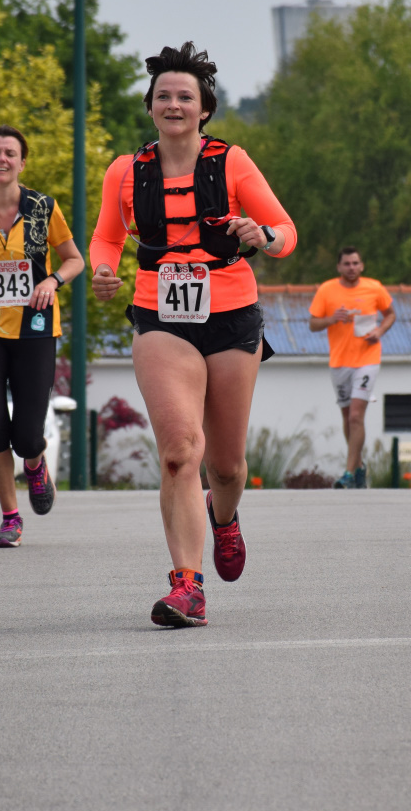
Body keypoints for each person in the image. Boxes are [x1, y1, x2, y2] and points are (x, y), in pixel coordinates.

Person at [90, 42, 296, 627]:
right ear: (150, 107)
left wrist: (262, 236)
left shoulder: (232, 163)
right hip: (160, 316)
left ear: (204, 109)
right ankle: (187, 586)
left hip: (231, 318)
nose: (174, 105)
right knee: (181, 453)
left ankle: (224, 518)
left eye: (185, 96)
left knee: (226, 467)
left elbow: (285, 231)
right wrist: (104, 270)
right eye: (164, 96)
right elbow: (107, 236)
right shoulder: (125, 171)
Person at [0, 124, 84, 547]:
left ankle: (35, 464)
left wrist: (53, 282)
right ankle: (10, 517)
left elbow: (75, 259)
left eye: (9, 153)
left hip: (34, 328)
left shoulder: (42, 208)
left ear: (22, 163)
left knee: (26, 435)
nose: (1, 159)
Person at [308, 247, 395, 489]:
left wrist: (379, 330)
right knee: (347, 417)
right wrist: (332, 319)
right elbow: (313, 324)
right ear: (339, 267)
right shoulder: (327, 290)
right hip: (339, 362)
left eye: (355, 263)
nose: (351, 268)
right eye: (346, 263)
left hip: (367, 359)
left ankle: (348, 473)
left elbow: (390, 314)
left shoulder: (374, 288)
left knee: (357, 415)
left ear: (362, 265)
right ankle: (358, 467)